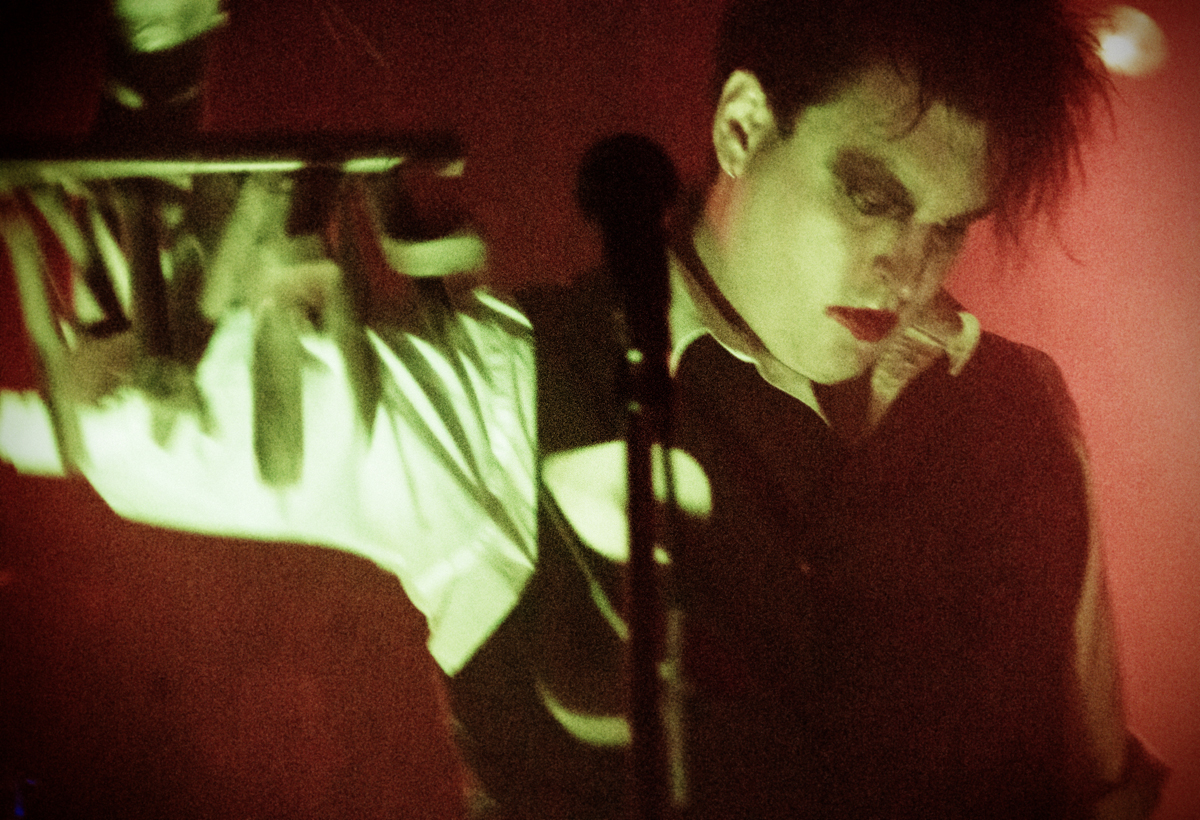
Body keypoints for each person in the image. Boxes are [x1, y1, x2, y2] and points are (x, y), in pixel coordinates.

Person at [0, 0, 1169, 817]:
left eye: (950, 228)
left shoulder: (1022, 411)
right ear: (743, 125)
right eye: (870, 197)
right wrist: (158, 63)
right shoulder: (512, 392)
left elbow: (1090, 784)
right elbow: (142, 424)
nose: (906, 265)